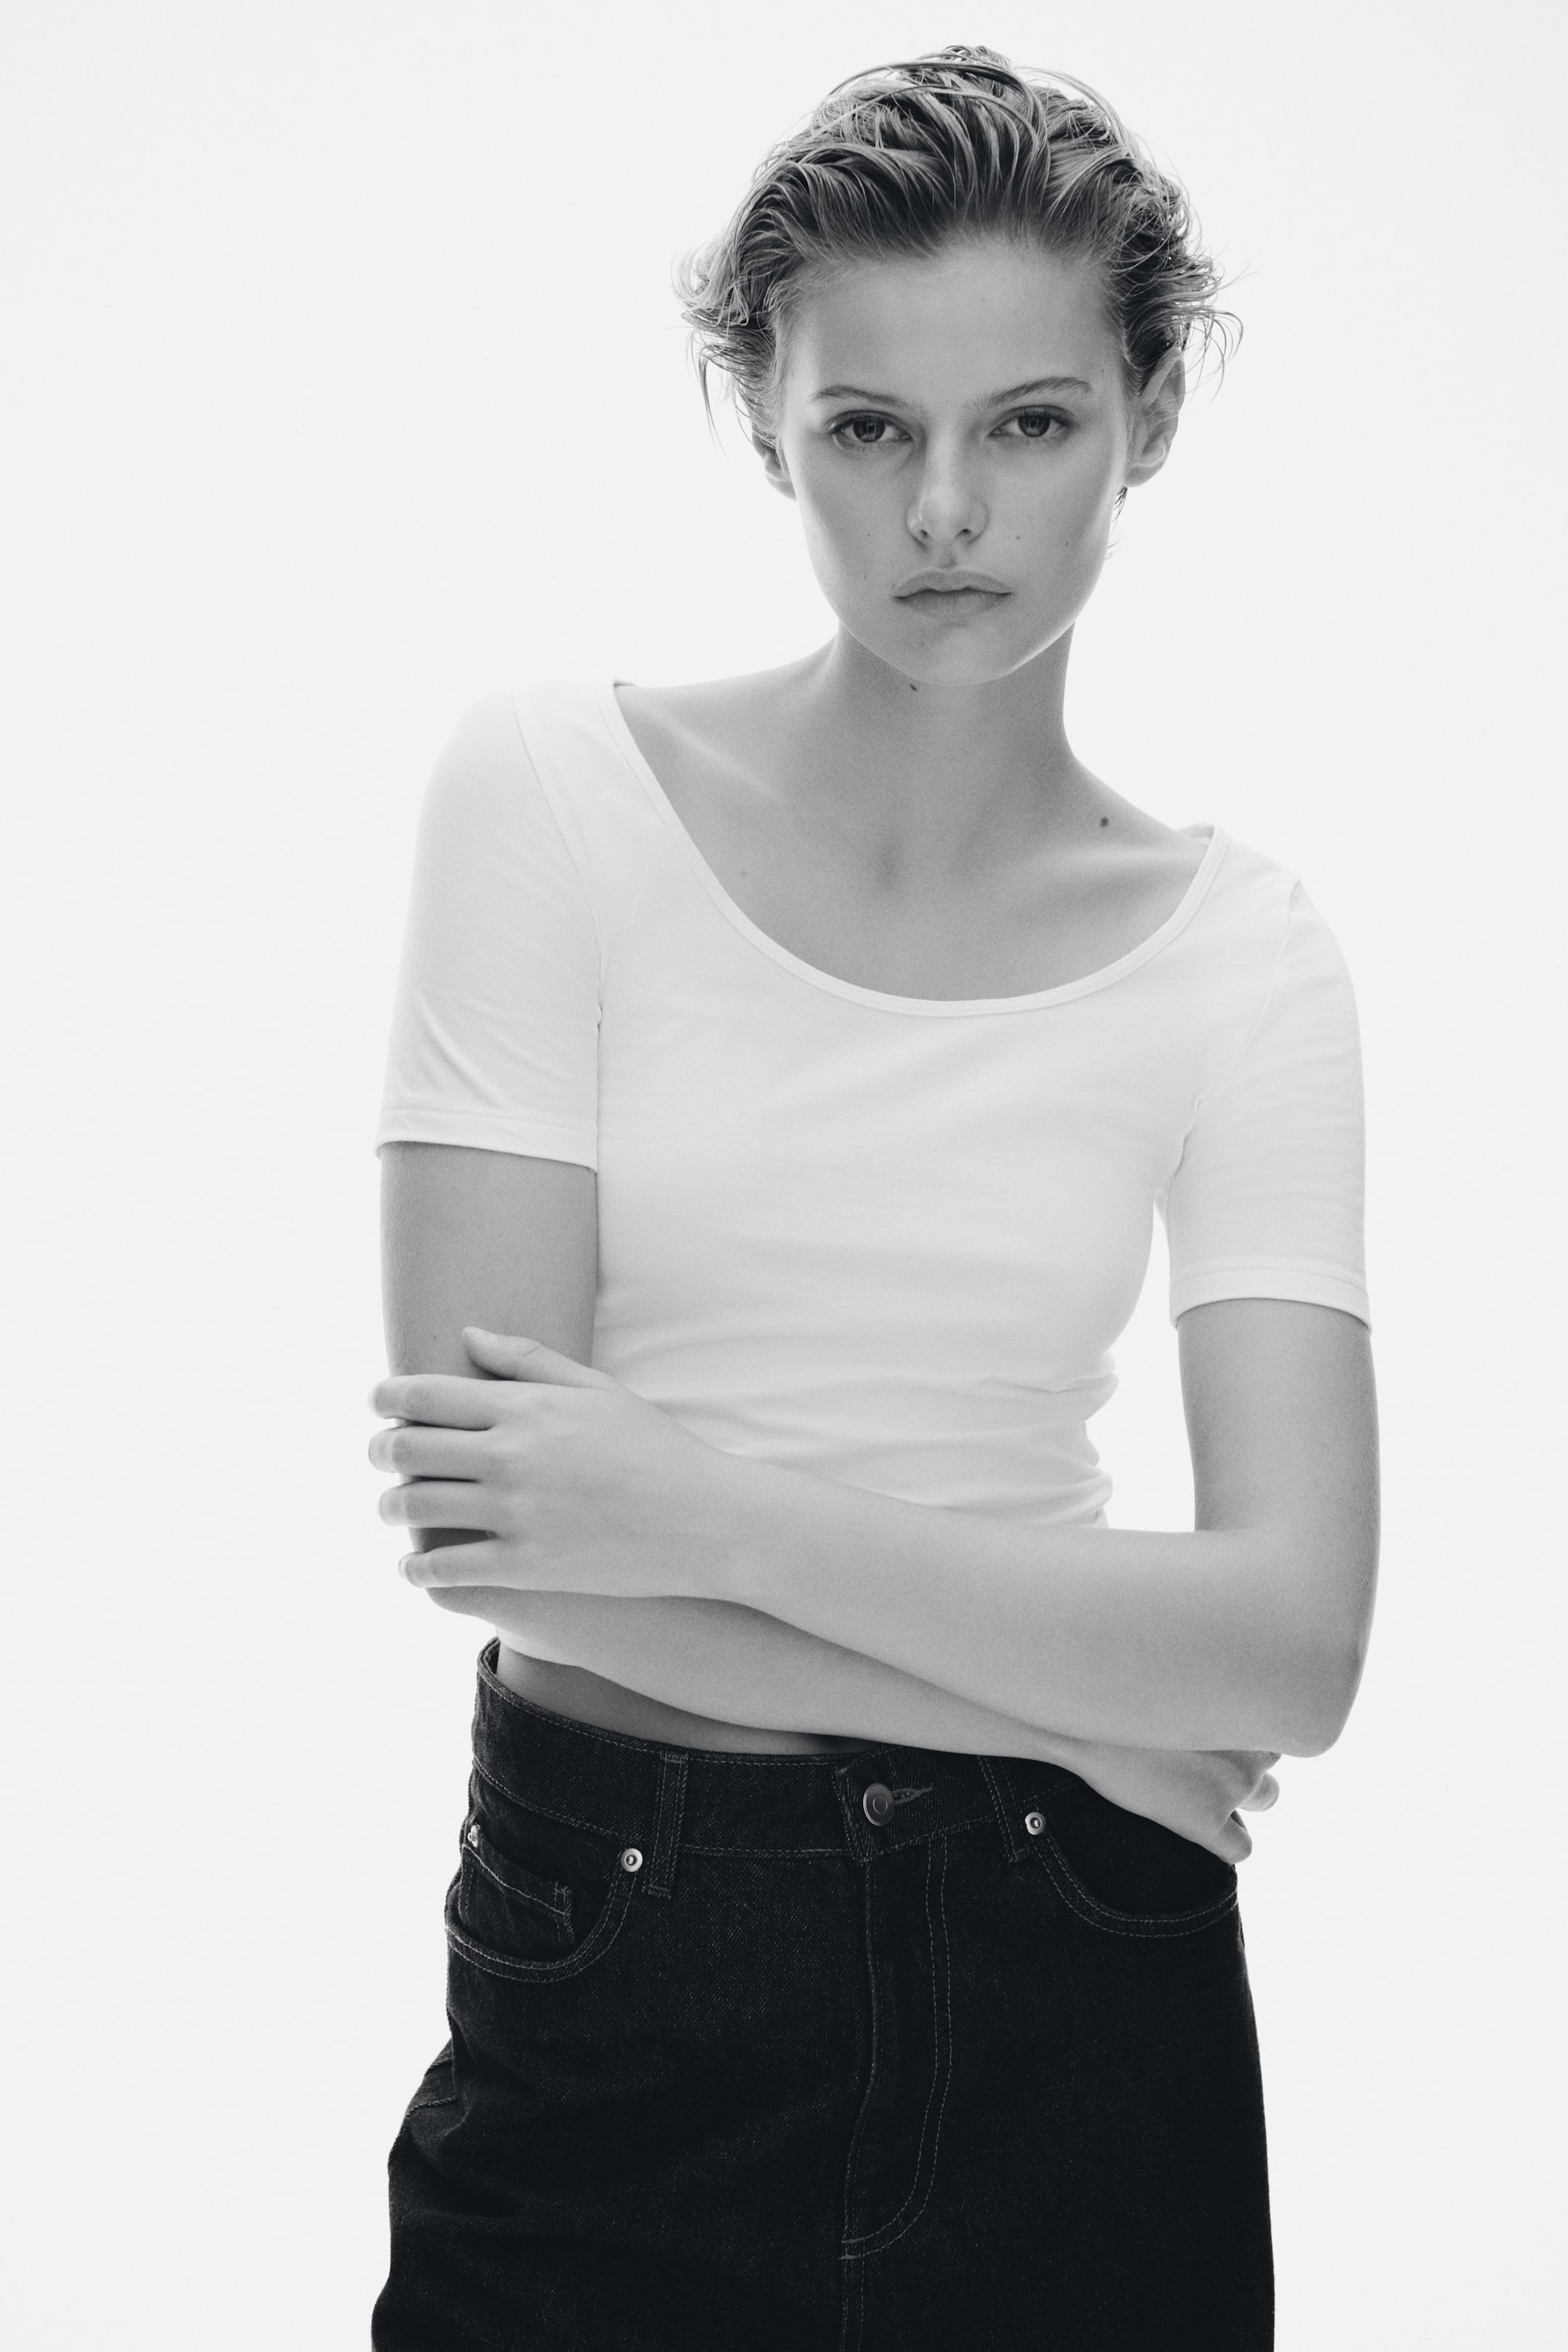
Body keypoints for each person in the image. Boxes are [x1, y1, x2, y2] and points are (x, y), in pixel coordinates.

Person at [366, 46, 1378, 2351]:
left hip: (1082, 1964)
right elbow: (503, 1533)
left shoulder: (1245, 954)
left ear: (1148, 418)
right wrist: (1072, 1703)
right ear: (763, 419)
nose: (944, 509)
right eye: (865, 427)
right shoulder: (549, 794)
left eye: (1029, 423)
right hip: (625, 1938)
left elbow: (1295, 1645)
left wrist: (701, 1512)